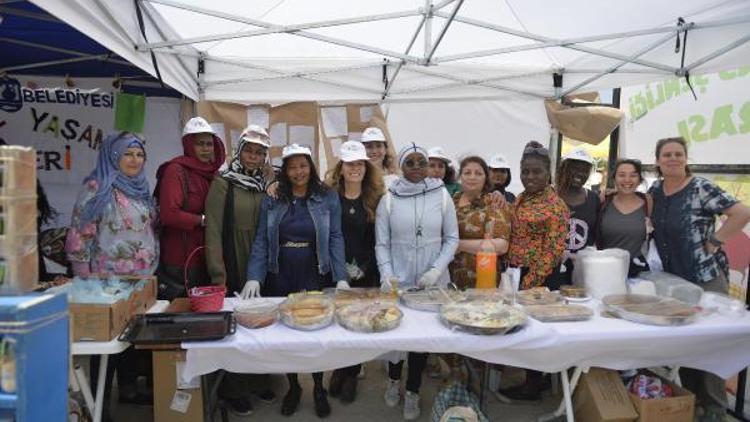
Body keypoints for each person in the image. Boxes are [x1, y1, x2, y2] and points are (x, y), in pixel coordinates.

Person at [648, 136, 750, 421]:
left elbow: (741, 212)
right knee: (687, 346)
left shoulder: (700, 187)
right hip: (673, 282)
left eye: (678, 154)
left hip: (705, 279)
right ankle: (694, 401)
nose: (672, 158)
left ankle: (716, 409)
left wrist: (716, 240)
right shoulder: (656, 190)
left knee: (710, 346)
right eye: (666, 154)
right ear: (657, 161)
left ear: (685, 158)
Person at [244, 144, 347, 418]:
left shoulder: (327, 197)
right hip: (281, 272)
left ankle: (317, 386)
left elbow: (335, 237)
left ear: (310, 167)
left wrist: (341, 277)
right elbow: (262, 240)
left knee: (315, 331)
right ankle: (293, 386)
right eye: (292, 167)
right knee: (285, 334)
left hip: (314, 271)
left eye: (303, 165)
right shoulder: (273, 198)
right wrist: (255, 276)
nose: (298, 172)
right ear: (285, 171)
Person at [65, 132, 159, 418]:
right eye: (128, 154)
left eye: (139, 154)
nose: (134, 160)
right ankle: (98, 403)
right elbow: (79, 239)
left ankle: (129, 389)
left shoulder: (140, 188)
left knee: (130, 337)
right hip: (104, 284)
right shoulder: (97, 188)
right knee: (103, 345)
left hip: (138, 280)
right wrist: (85, 281)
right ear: (113, 156)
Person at [375, 143, 459, 420]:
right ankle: (393, 381)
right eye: (409, 163)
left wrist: (436, 270)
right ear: (401, 166)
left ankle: (412, 391)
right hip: (398, 280)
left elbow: (451, 239)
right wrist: (386, 273)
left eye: (420, 162)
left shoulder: (443, 196)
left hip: (431, 282)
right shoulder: (388, 200)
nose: (415, 168)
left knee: (421, 340)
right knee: (396, 337)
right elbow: (381, 243)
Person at [203, 125, 275, 416]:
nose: (253, 156)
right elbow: (214, 229)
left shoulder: (268, 182)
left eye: (259, 152)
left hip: (262, 260)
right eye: (249, 150)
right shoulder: (224, 182)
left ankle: (260, 379)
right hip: (234, 256)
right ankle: (235, 388)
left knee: (264, 321)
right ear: (239, 150)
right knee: (237, 325)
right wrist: (217, 273)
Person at [500, 141, 568, 401]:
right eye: (525, 171)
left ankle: (532, 386)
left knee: (535, 331)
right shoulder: (522, 198)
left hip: (538, 277)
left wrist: (527, 284)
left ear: (548, 173)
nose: (530, 177)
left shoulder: (555, 206)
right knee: (523, 327)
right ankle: (535, 379)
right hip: (517, 272)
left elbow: (552, 253)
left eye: (536, 172)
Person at [325, 140, 385, 404]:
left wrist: (364, 267)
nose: (355, 168)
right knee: (338, 323)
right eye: (350, 163)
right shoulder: (329, 197)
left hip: (365, 272)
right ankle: (340, 368)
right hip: (336, 272)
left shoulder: (375, 198)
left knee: (358, 323)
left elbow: (378, 239)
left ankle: (351, 373)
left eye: (360, 163)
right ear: (341, 167)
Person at [154, 117, 226, 300]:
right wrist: (202, 220)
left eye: (209, 144)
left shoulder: (214, 173)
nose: (206, 149)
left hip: (207, 256)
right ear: (188, 145)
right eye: (199, 144)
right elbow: (169, 214)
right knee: (183, 310)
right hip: (181, 258)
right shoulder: (176, 170)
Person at [449, 156, 512, 290]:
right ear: (460, 176)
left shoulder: (494, 202)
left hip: (483, 279)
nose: (472, 177)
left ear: (485, 177)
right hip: (450, 280)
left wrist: (458, 244)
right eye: (467, 173)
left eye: (478, 173)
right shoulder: (451, 202)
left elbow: (501, 246)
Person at [548, 148, 599, 289]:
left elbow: (597, 235)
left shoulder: (594, 199)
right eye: (574, 169)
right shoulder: (549, 196)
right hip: (550, 270)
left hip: (582, 270)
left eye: (585, 170)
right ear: (564, 169)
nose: (580, 174)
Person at [597, 159, 652, 276]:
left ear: (639, 180)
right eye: (622, 175)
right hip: (605, 268)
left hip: (638, 269)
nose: (627, 180)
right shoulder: (603, 200)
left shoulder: (648, 201)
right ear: (614, 178)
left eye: (633, 175)